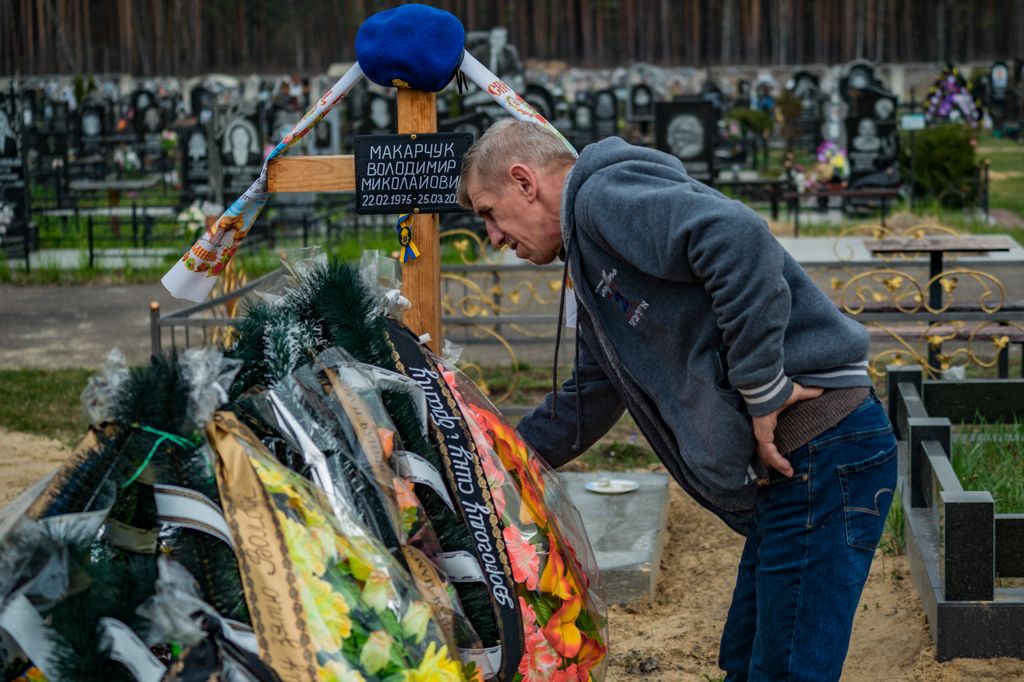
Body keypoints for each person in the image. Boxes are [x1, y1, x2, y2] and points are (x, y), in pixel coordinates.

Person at [456, 119, 897, 682]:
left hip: (823, 448)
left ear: (524, 181)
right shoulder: (590, 258)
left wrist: (763, 389)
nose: (492, 237)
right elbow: (593, 394)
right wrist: (491, 459)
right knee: (746, 661)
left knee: (785, 671)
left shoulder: (600, 200)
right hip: (802, 463)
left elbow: (736, 238)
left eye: (488, 212)